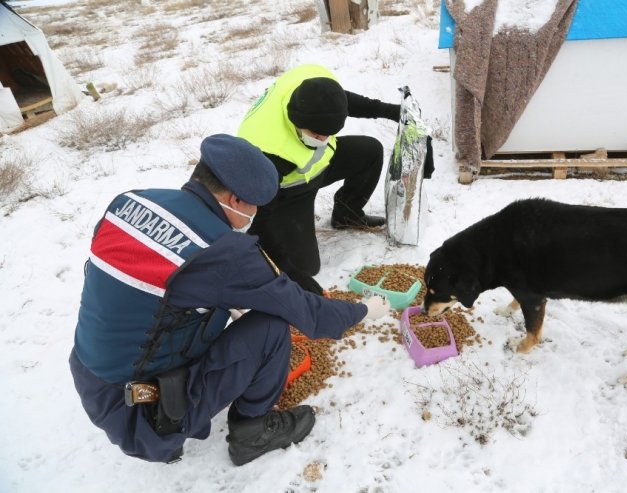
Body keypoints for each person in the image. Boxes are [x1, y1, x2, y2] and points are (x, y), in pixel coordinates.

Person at [69, 134, 390, 466]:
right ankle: (251, 433)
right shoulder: (225, 252)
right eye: (254, 207)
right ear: (235, 200)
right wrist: (365, 309)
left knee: (217, 308)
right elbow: (312, 314)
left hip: (91, 377)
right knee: (271, 327)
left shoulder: (131, 202)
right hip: (143, 415)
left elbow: (136, 286)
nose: (254, 215)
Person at [237, 64, 401, 295]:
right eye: (316, 135)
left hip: (317, 167)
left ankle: (347, 215)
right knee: (305, 268)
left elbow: (340, 101)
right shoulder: (268, 154)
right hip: (286, 193)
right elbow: (257, 225)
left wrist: (389, 111)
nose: (323, 139)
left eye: (328, 134)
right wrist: (297, 277)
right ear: (297, 121)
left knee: (370, 151)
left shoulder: (310, 85)